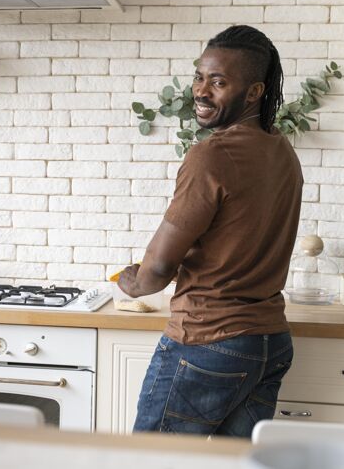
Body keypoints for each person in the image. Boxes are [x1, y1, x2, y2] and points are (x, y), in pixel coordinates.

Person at [117, 25, 302, 437]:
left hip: (206, 340)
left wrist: (135, 282)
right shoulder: (281, 149)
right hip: (267, 341)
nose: (201, 91)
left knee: (153, 462)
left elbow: (158, 268)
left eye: (218, 82)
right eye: (200, 77)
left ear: (254, 92)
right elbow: (234, 241)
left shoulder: (210, 156)